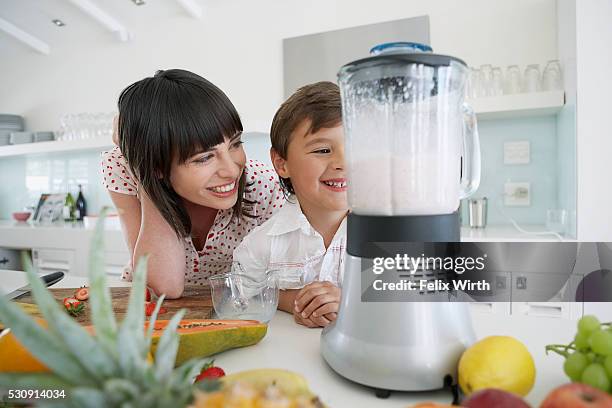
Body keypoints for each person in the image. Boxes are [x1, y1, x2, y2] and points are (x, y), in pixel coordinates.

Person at [102, 69, 284, 298]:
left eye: (235, 144)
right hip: (157, 310)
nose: (231, 169)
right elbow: (163, 287)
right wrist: (145, 171)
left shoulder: (263, 185)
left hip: (232, 307)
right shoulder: (124, 167)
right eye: (205, 157)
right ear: (157, 166)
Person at [233, 81, 347, 328]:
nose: (343, 162)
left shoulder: (393, 230)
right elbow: (240, 296)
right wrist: (295, 300)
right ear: (282, 163)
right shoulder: (259, 245)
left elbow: (439, 290)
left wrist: (351, 303)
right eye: (324, 150)